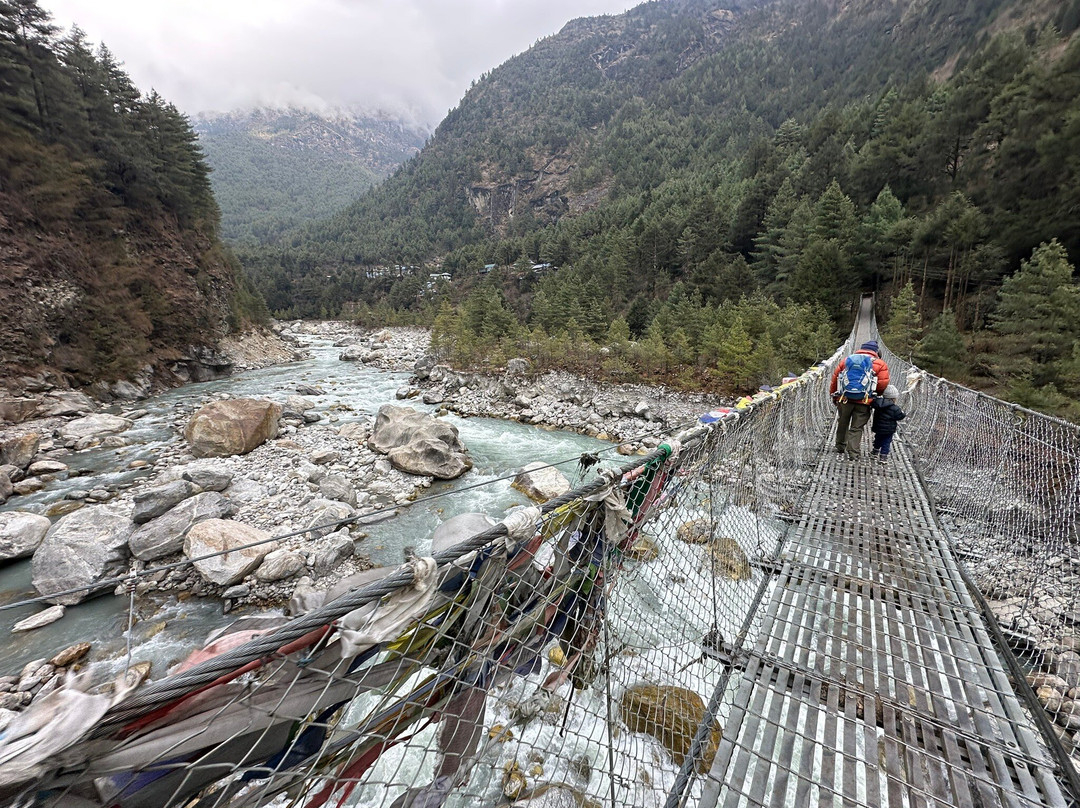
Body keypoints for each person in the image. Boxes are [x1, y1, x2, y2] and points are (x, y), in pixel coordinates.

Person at [830, 340, 889, 459]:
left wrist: (834, 396)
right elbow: (882, 384)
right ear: (876, 351)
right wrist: (874, 397)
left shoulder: (847, 360)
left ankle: (840, 446)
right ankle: (853, 453)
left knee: (843, 422)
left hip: (845, 398)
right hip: (864, 401)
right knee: (857, 427)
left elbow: (836, 378)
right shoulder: (880, 364)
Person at [870, 384, 905, 462]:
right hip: (889, 430)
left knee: (878, 439)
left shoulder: (878, 404)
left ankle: (875, 451)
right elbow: (900, 416)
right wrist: (903, 413)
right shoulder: (895, 408)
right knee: (886, 442)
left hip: (878, 427)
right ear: (894, 398)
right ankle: (883, 456)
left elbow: (872, 403)